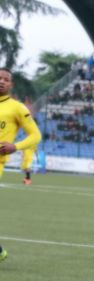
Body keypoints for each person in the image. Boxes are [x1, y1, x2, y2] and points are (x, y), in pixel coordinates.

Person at [0, 67, 42, 262]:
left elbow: (36, 135)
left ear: (11, 84)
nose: (2, 81)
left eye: (6, 79)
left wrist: (15, 146)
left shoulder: (17, 108)